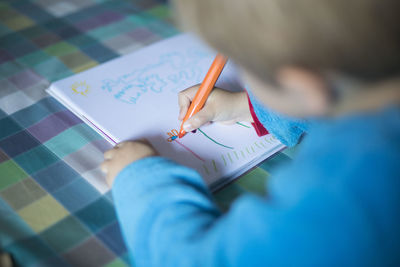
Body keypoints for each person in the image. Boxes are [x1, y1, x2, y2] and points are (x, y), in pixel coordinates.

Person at [100, 0, 400, 266]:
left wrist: (141, 179)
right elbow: (337, 99)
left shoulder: (344, 194)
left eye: (242, 68)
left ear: (301, 86)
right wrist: (246, 106)